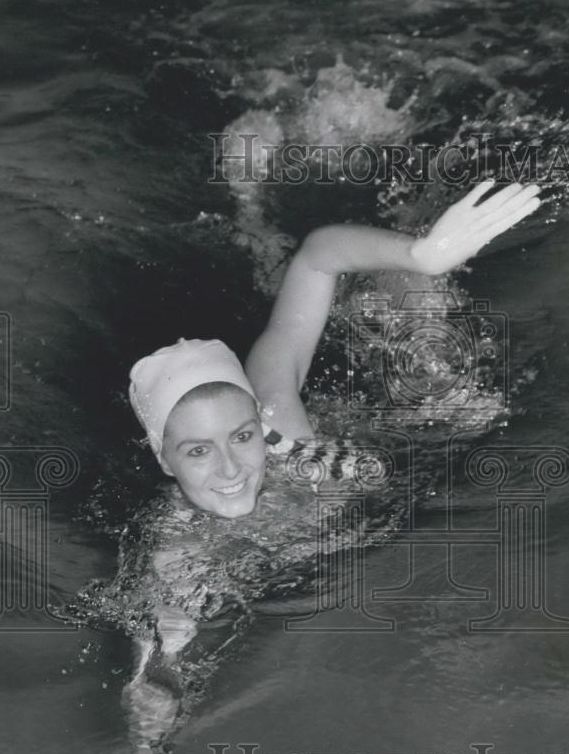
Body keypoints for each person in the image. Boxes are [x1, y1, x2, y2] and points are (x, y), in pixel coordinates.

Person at [129, 179, 541, 522]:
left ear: (258, 418)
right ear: (164, 460)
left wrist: (422, 256)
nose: (230, 468)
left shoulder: (275, 411)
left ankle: (249, 193)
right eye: (198, 450)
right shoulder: (179, 543)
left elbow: (317, 258)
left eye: (242, 436)